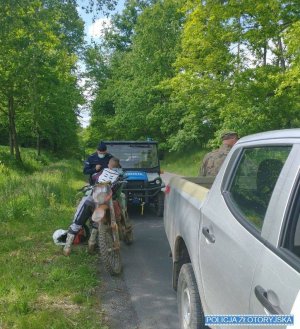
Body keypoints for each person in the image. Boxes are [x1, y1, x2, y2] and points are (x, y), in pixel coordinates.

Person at [63, 157, 122, 256]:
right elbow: (116, 190)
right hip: (104, 203)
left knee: (77, 222)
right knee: (96, 222)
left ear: (108, 165)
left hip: (91, 199)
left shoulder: (101, 173)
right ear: (118, 166)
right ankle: (91, 244)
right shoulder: (119, 176)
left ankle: (67, 247)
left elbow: (93, 178)